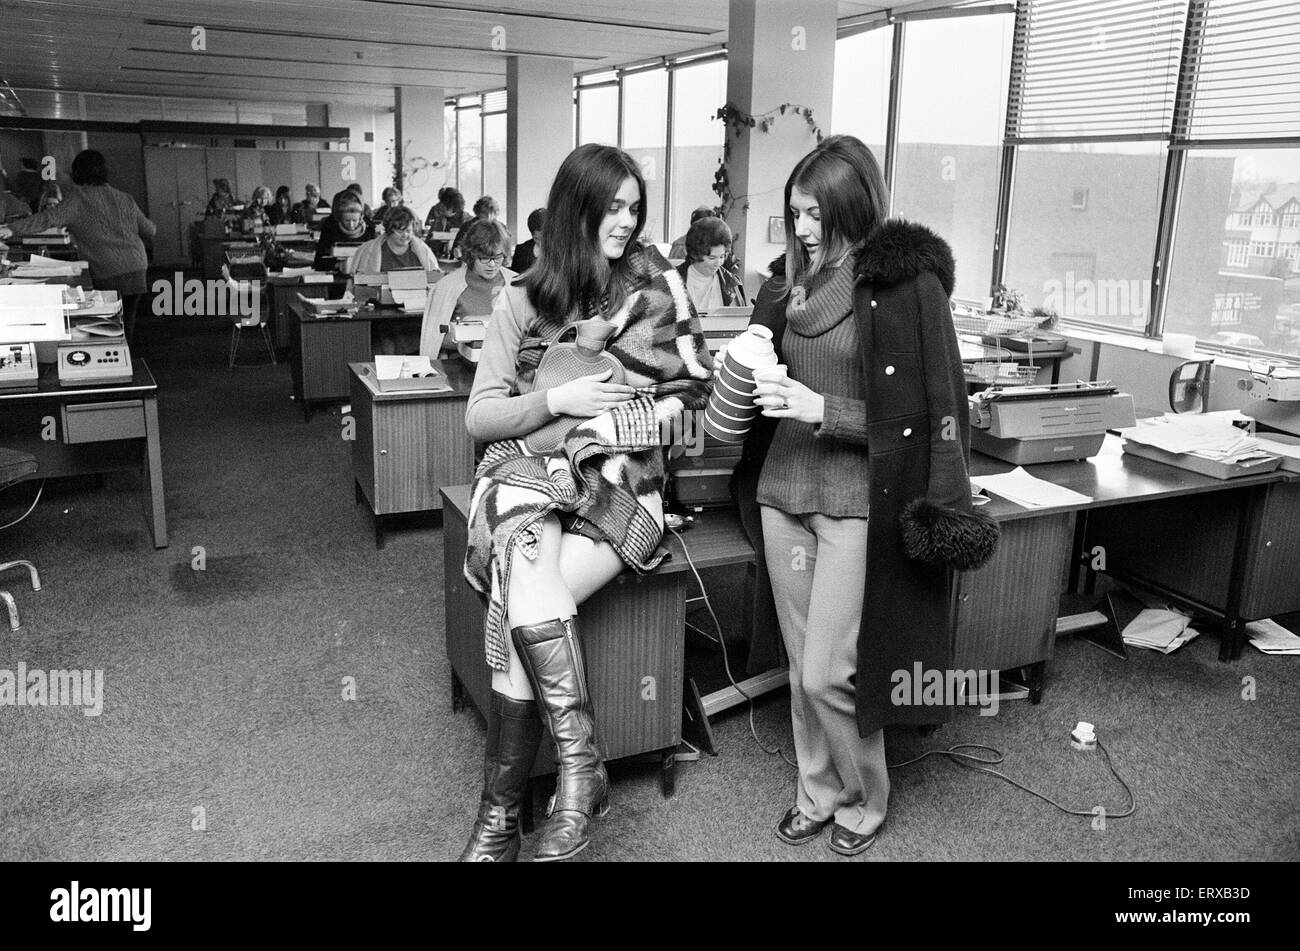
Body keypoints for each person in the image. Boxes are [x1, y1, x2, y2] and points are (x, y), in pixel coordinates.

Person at [731, 135, 998, 857]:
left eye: (817, 213)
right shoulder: (791, 283)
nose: (805, 228)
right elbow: (762, 369)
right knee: (799, 668)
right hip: (784, 490)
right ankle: (814, 792)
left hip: (853, 501)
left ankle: (864, 796)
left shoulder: (908, 286)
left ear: (855, 206)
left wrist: (827, 411)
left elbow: (931, 412)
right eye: (795, 213)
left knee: (830, 671)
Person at [455, 143, 713, 862]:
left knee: (519, 607)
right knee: (526, 555)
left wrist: (604, 426)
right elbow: (480, 417)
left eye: (636, 207)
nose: (628, 221)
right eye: (615, 206)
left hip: (623, 484)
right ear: (577, 208)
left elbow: (693, 399)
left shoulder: (654, 286)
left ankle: (500, 817)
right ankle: (578, 771)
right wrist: (557, 398)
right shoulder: (521, 298)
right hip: (531, 479)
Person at [0, 150, 156, 349]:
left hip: (108, 269)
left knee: (108, 323)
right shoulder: (125, 198)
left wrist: (11, 228)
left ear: (77, 173)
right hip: (136, 265)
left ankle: (116, 364)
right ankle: (127, 361)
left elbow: (46, 219)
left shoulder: (78, 199)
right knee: (127, 321)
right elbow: (150, 230)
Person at [418, 218, 513, 358]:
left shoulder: (516, 284)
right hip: (460, 362)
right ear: (471, 254)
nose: (492, 265)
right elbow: (434, 340)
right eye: (484, 258)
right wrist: (469, 338)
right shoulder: (446, 288)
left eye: (498, 257)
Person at [675, 215, 743, 313]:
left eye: (722, 257)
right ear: (695, 254)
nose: (718, 263)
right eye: (712, 258)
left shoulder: (732, 284)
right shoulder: (671, 281)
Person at [349, 205, 438, 276]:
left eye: (408, 231)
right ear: (389, 230)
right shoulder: (368, 250)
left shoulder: (423, 251)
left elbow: (434, 277)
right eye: (400, 231)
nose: (405, 235)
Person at [313, 192, 375, 269]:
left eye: (355, 220)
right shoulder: (330, 228)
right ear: (340, 218)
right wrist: (338, 265)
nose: (351, 225)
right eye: (347, 220)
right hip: (336, 275)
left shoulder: (370, 230)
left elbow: (376, 260)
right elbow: (318, 262)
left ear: (361, 218)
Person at [509, 207, 545, 274]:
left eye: (544, 239)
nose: (541, 243)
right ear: (532, 234)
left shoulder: (561, 252)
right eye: (537, 239)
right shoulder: (521, 251)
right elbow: (513, 278)